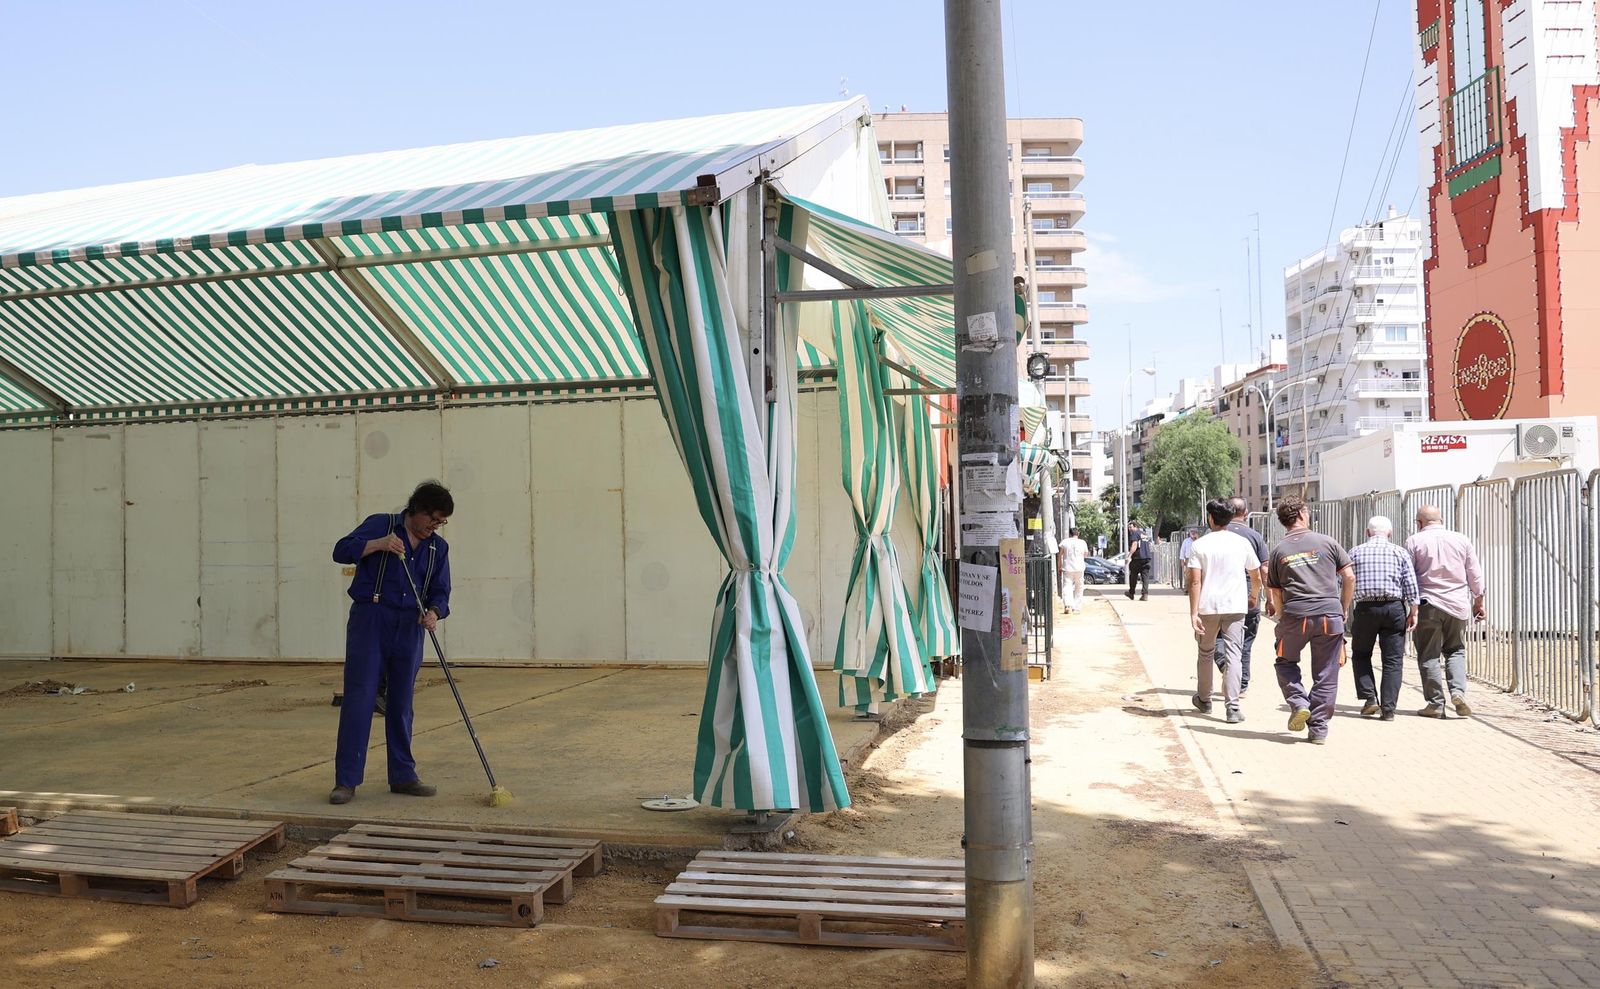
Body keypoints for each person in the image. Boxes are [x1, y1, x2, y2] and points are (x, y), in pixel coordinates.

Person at [328, 481, 455, 805]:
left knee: (401, 703)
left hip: (409, 626)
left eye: (441, 522)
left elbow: (441, 590)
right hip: (372, 618)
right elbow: (340, 551)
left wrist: (434, 612)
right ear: (417, 509)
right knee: (361, 697)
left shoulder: (437, 549)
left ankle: (403, 775)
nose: (434, 527)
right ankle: (346, 782)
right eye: (433, 519)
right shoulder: (382, 524)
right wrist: (378, 544)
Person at [1266, 496, 1355, 744]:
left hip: (1295, 615)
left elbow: (1275, 592)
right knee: (1327, 672)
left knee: (1285, 662)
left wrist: (1283, 618)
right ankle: (1318, 729)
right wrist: (1343, 608)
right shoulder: (1327, 542)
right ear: (1303, 514)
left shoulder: (1278, 551)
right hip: (1330, 614)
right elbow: (1349, 577)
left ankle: (1298, 702)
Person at [1405, 505, 1486, 718]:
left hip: (1428, 604)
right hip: (1457, 604)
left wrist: (1412, 607)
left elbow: (1409, 576)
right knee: (1456, 650)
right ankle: (1458, 692)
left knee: (1428, 654)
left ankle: (1435, 704)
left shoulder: (1414, 541)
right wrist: (1478, 601)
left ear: (1419, 523)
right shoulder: (1461, 539)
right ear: (1441, 520)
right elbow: (1475, 574)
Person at [1188, 499, 1263, 724]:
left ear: (1210, 518)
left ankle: (1204, 699)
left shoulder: (1200, 545)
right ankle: (1232, 707)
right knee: (1234, 655)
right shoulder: (1241, 543)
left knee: (1206, 652)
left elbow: (1194, 582)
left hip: (1207, 607)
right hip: (1235, 607)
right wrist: (1253, 596)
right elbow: (1256, 575)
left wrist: (1193, 613)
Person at [1347, 515, 1419, 721]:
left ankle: (1369, 698)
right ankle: (1388, 709)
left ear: (1367, 532)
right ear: (1390, 533)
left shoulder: (1355, 552)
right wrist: (1414, 610)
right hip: (1394, 608)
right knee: (1393, 660)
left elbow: (1346, 581)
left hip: (1365, 608)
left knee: (1361, 654)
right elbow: (1411, 584)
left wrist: (1343, 606)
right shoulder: (1400, 552)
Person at [1224, 497, 1270, 697]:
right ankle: (1241, 683)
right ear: (1245, 512)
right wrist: (1269, 597)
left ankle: (1225, 668)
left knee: (1220, 637)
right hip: (1249, 592)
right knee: (1247, 639)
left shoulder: (1216, 534)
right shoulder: (1254, 536)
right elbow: (1264, 570)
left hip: (1223, 593)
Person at [1058, 527, 1089, 613]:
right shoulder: (1083, 542)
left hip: (1068, 568)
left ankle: (1068, 605)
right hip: (1079, 568)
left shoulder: (1064, 542)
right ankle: (1077, 607)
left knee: (1067, 586)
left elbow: (1060, 555)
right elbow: (1086, 554)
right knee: (1079, 587)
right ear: (1078, 534)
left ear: (1070, 534)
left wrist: (1059, 566)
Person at [1126, 523, 1153, 601]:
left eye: (1130, 527)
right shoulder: (1144, 534)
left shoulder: (1134, 533)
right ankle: (1145, 595)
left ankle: (1131, 593)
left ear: (1135, 526)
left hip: (1138, 558)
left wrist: (1129, 556)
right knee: (1145, 577)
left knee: (1133, 576)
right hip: (1147, 558)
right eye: (1128, 527)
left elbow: (1134, 545)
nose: (1129, 529)